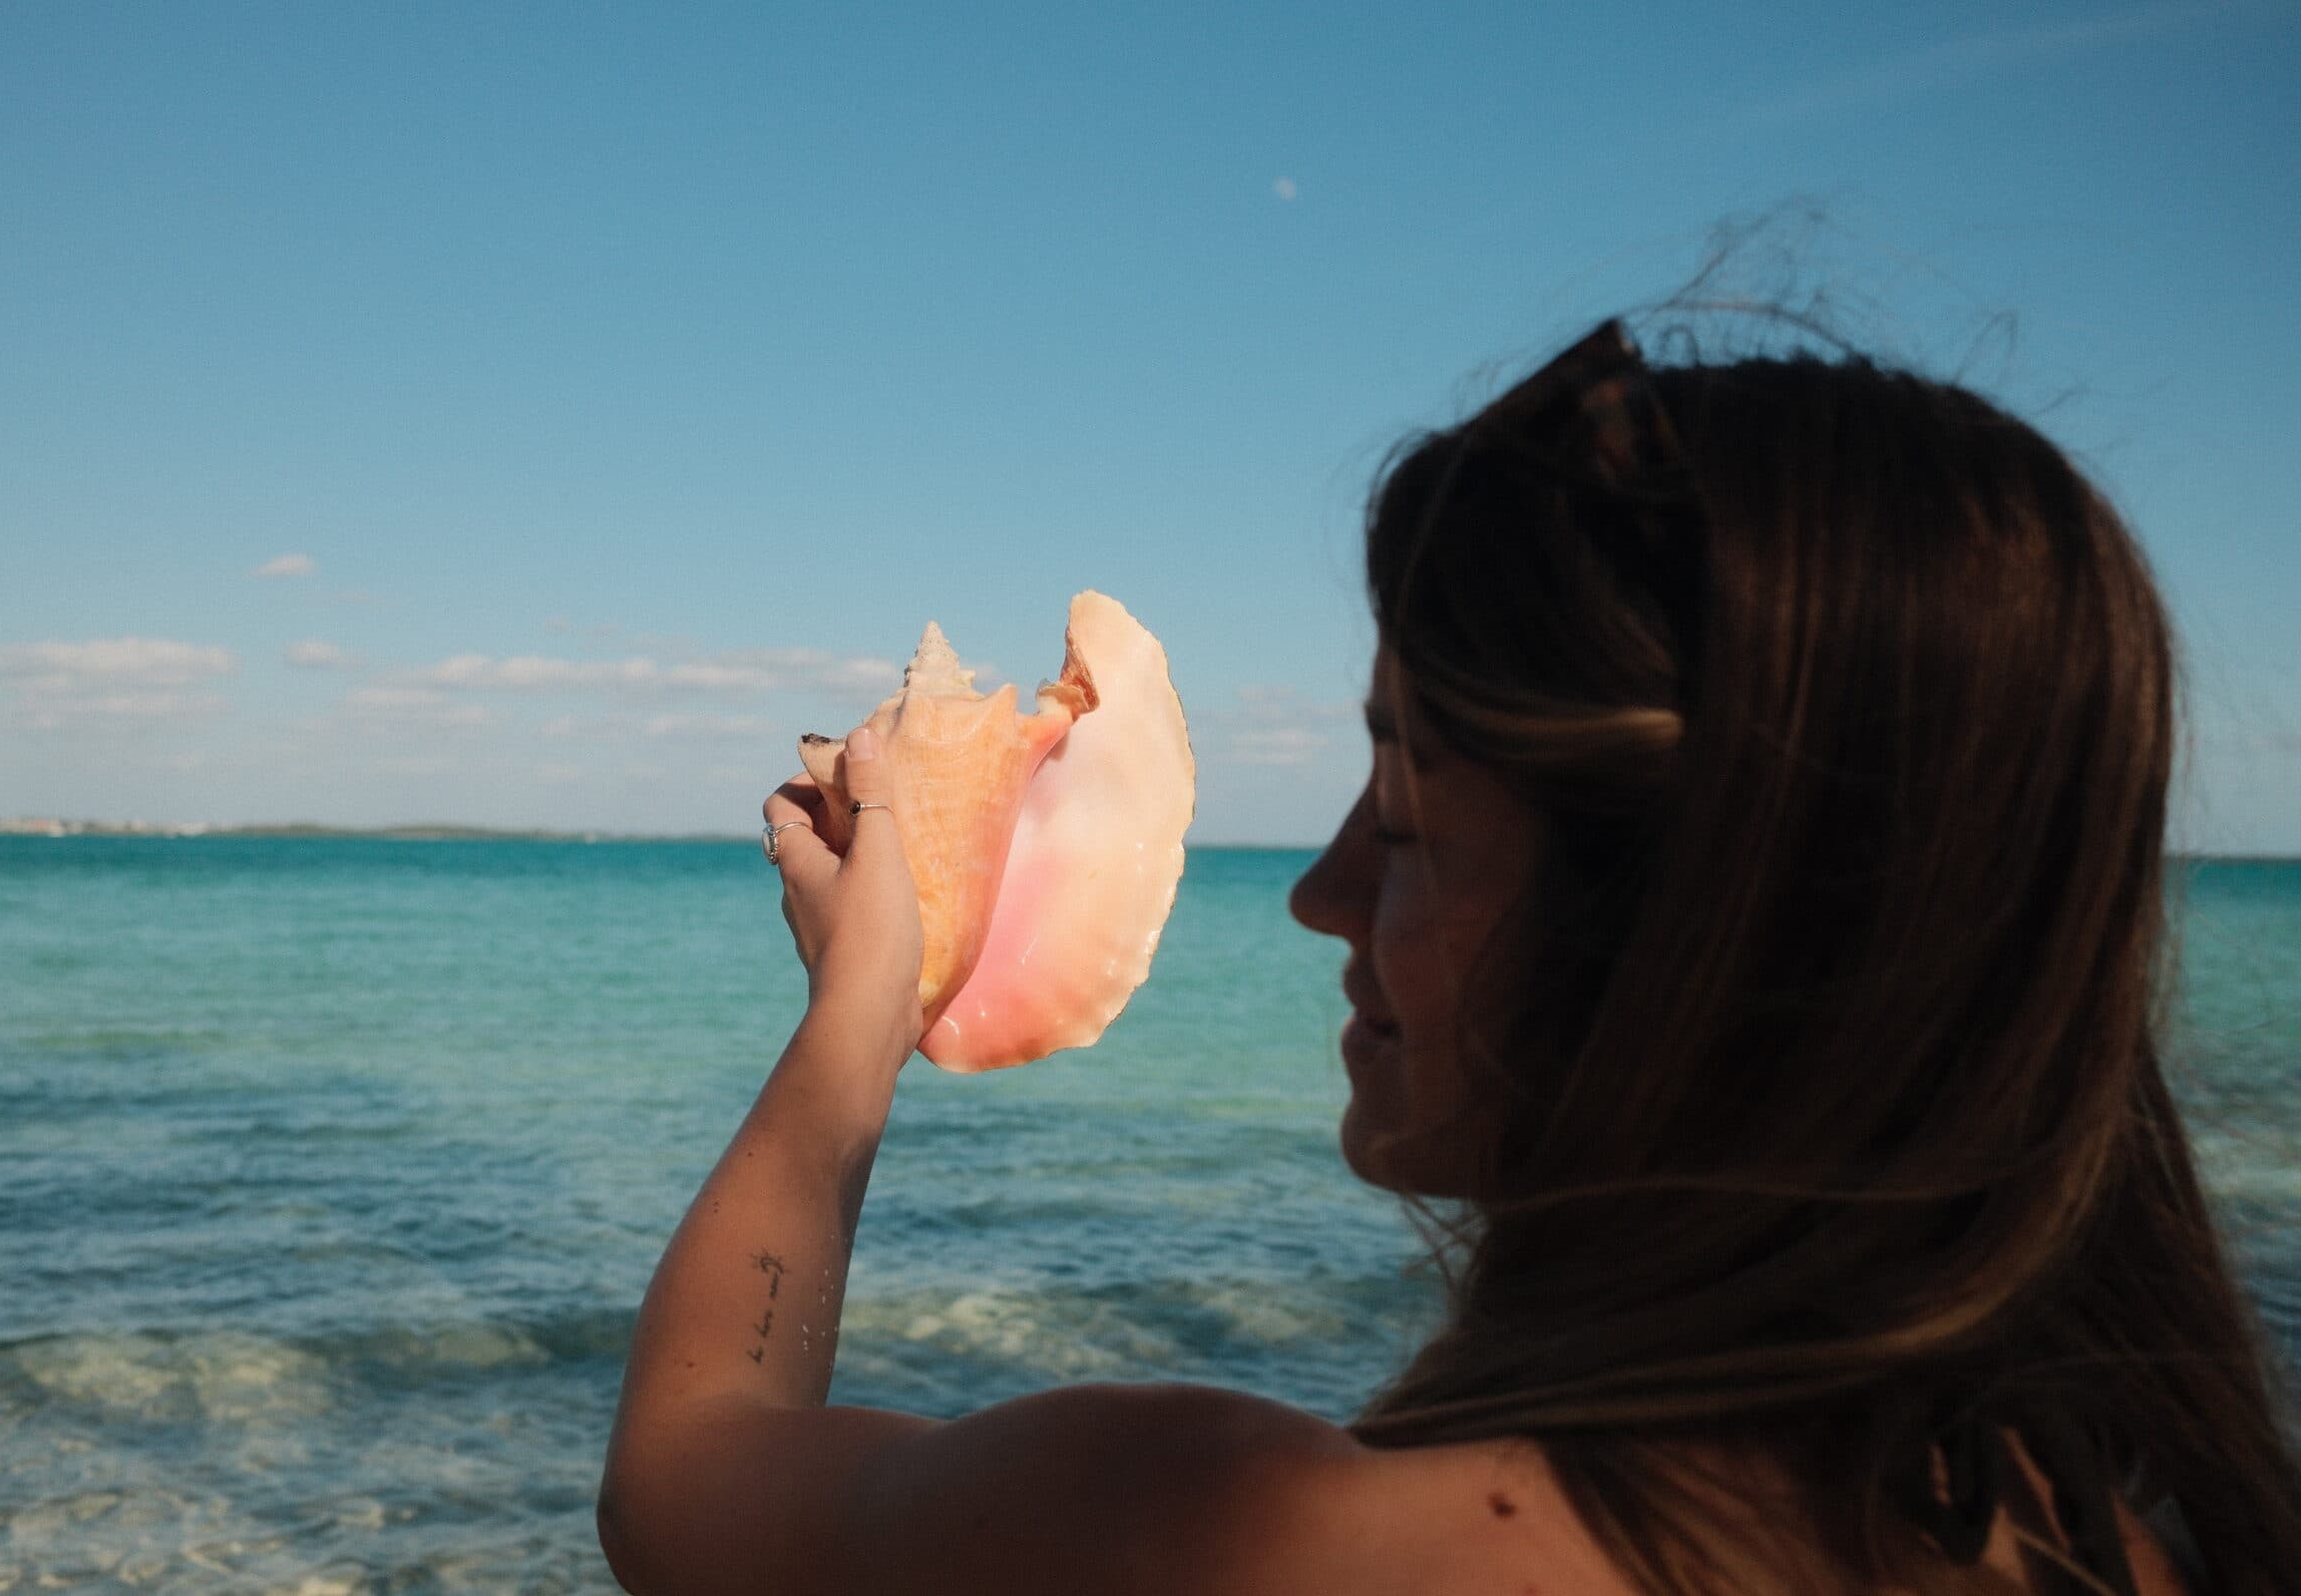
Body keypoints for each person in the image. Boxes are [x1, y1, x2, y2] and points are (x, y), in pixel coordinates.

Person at [596, 318, 2301, 1595]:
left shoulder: (1251, 1538)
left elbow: (683, 1480)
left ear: (1687, 925)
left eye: (1405, 820)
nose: (1321, 892)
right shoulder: (2117, 1546)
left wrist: (859, 1024)